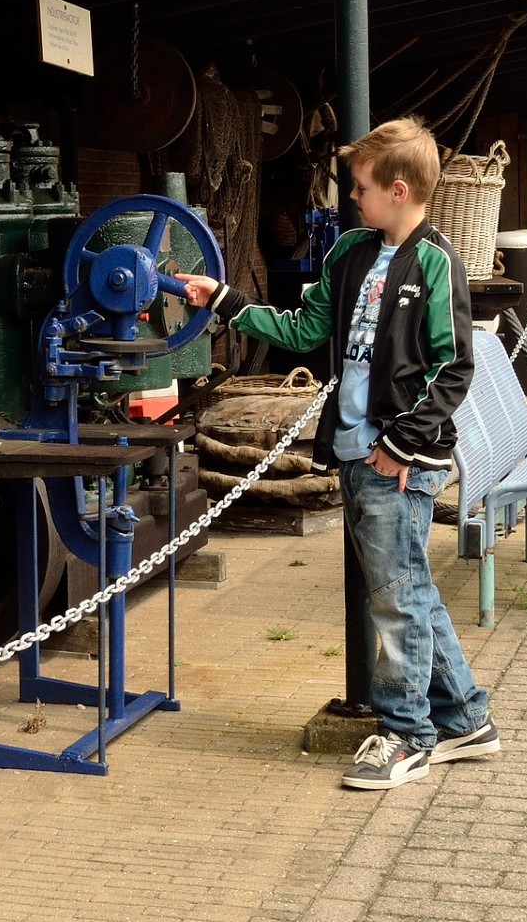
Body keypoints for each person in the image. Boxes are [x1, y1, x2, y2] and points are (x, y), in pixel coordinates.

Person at [176, 117, 498, 791]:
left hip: (398, 463)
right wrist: (227, 301)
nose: (353, 197)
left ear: (399, 190)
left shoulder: (438, 264)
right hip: (358, 457)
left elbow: (453, 367)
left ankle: (407, 735)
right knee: (408, 593)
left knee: (394, 602)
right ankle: (467, 719)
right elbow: (303, 325)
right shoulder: (352, 252)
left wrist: (401, 444)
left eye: (361, 188)